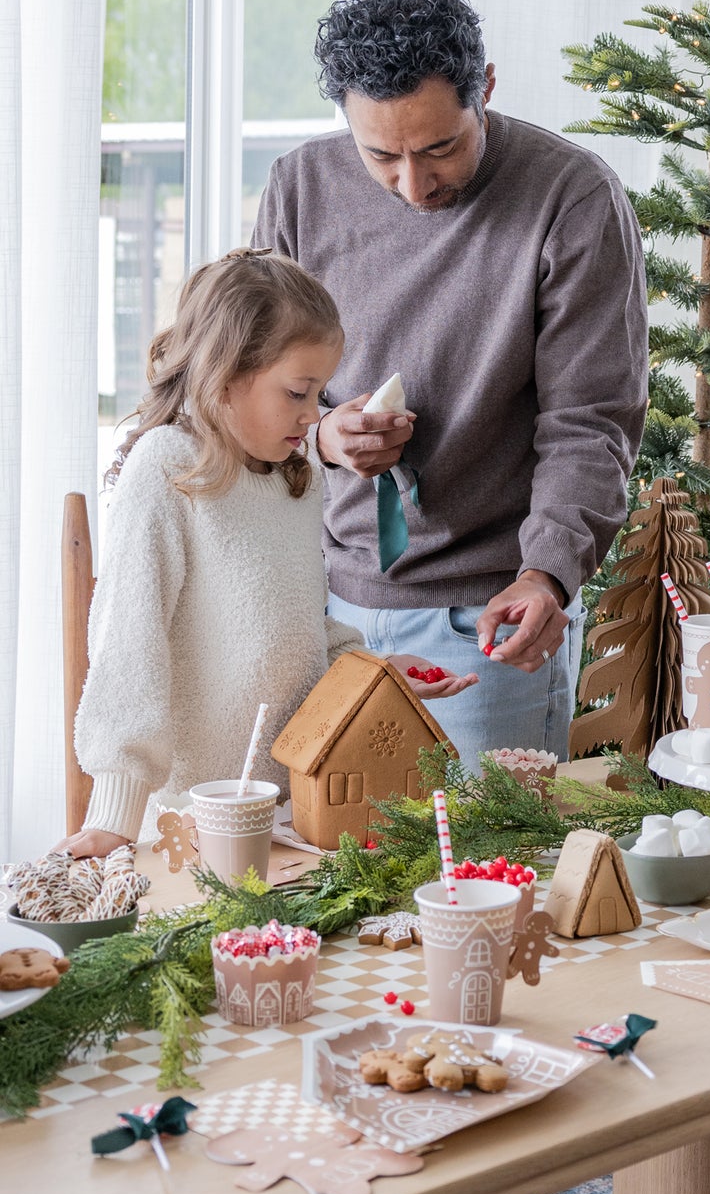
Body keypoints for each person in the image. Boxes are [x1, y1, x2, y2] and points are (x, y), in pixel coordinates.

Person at [252, 0, 648, 1194]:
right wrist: (322, 428)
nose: (411, 185)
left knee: (471, 952)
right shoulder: (304, 184)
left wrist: (552, 570)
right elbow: (250, 367)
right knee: (326, 911)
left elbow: (597, 412)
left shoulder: (569, 197)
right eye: (382, 156)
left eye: (439, 149)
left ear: (482, 91)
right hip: (319, 591)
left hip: (492, 617)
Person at [66, 252, 471, 858]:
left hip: (290, 810)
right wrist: (117, 810)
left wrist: (375, 677)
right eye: (299, 393)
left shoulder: (294, 476)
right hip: (194, 819)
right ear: (226, 375)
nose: (315, 417)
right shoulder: (168, 470)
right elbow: (128, 642)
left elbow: (298, 627)